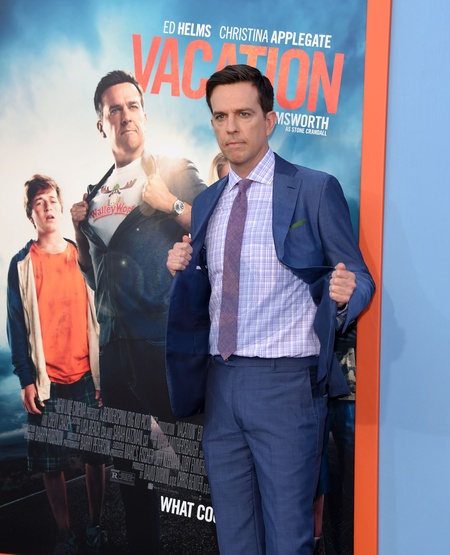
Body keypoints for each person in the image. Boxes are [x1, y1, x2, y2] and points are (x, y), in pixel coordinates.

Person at [165, 64, 375, 554]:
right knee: (235, 540)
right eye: (220, 117)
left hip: (287, 387)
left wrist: (345, 295)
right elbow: (208, 289)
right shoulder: (209, 200)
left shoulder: (314, 188)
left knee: (287, 540)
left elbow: (359, 278)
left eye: (244, 114)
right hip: (221, 385)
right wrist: (181, 269)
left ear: (270, 119)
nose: (231, 127)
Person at [70, 69, 206, 553]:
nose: (125, 115)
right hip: (114, 352)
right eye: (115, 109)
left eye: (132, 106)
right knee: (132, 477)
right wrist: (80, 234)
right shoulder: (93, 196)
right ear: (101, 124)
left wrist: (171, 203)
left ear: (144, 115)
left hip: (164, 344)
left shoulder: (172, 170)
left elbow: (220, 222)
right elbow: (96, 279)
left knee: (203, 466)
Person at [7, 175, 109, 555]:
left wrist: (103, 375)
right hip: (46, 382)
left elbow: (102, 314)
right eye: (39, 203)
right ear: (30, 214)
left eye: (51, 200)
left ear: (61, 207)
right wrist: (26, 379)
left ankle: (95, 526)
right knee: (52, 465)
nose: (47, 207)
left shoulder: (81, 254)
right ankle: (65, 534)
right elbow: (16, 327)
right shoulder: (20, 265)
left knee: (95, 456)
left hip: (86, 376)